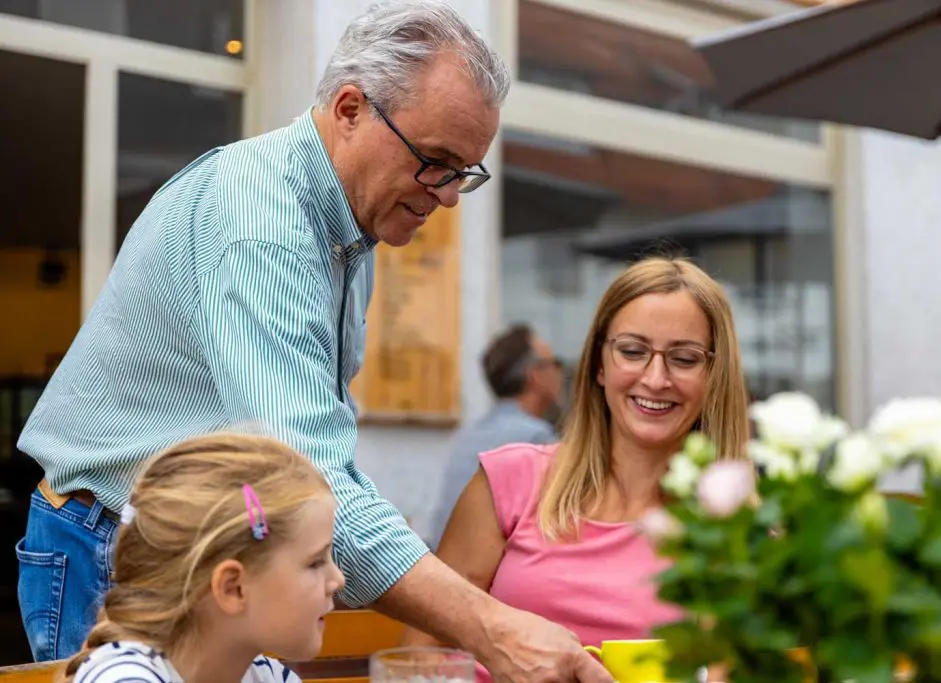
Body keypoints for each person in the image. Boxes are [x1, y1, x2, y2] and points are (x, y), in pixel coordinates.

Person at [14, 2, 611, 682]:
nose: (447, 197)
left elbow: (311, 470)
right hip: (119, 549)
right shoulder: (262, 221)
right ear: (351, 108)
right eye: (435, 162)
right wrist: (492, 626)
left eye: (465, 172)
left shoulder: (350, 219)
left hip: (211, 551)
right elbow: (308, 476)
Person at [404, 257, 749, 683]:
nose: (656, 378)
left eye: (684, 358)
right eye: (633, 351)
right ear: (599, 364)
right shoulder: (509, 481)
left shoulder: (736, 526)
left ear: (715, 374)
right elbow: (419, 658)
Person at [59, 433, 341, 682]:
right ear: (233, 588)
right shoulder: (121, 678)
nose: (338, 579)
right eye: (315, 562)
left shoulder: (268, 675)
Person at [431, 324, 563, 545]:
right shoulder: (536, 440)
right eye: (555, 364)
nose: (561, 372)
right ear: (535, 375)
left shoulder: (469, 434)